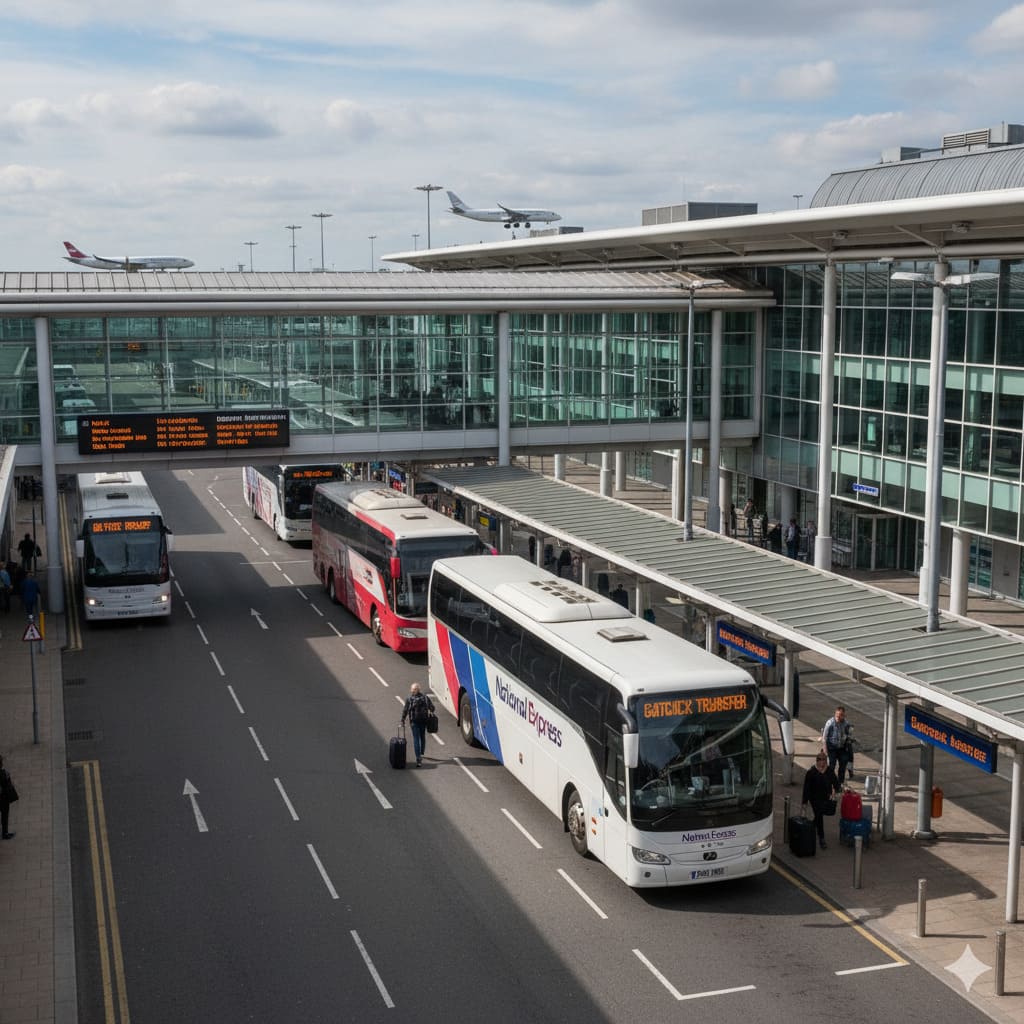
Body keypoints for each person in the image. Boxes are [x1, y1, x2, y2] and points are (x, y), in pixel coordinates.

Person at [802, 750, 839, 850]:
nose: (822, 763)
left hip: (825, 798)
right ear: (817, 761)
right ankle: (821, 838)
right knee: (819, 815)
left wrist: (836, 791)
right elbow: (806, 789)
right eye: (820, 760)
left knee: (820, 815)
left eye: (824, 761)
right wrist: (804, 802)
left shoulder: (829, 771)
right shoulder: (811, 772)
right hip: (814, 798)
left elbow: (836, 783)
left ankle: (811, 827)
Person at [400, 682, 435, 767]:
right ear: (419, 690)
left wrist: (402, 720)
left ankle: (418, 758)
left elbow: (405, 710)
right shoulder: (425, 698)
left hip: (414, 722)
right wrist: (429, 711)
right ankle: (422, 753)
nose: (412, 690)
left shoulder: (409, 699)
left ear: (412, 690)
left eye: (413, 689)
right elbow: (432, 708)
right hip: (424, 721)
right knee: (422, 737)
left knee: (416, 739)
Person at [822, 704, 853, 787]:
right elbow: (824, 737)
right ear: (835, 714)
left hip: (841, 748)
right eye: (837, 715)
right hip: (831, 747)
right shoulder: (830, 723)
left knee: (843, 764)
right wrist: (825, 750)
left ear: (844, 716)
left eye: (841, 715)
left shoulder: (846, 724)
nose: (838, 717)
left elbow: (849, 735)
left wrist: (849, 739)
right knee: (831, 765)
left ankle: (840, 783)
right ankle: (830, 782)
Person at [0, 754, 17, 839]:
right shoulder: (3, 773)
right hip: (3, 798)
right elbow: (7, 785)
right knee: (4, 816)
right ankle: (5, 833)